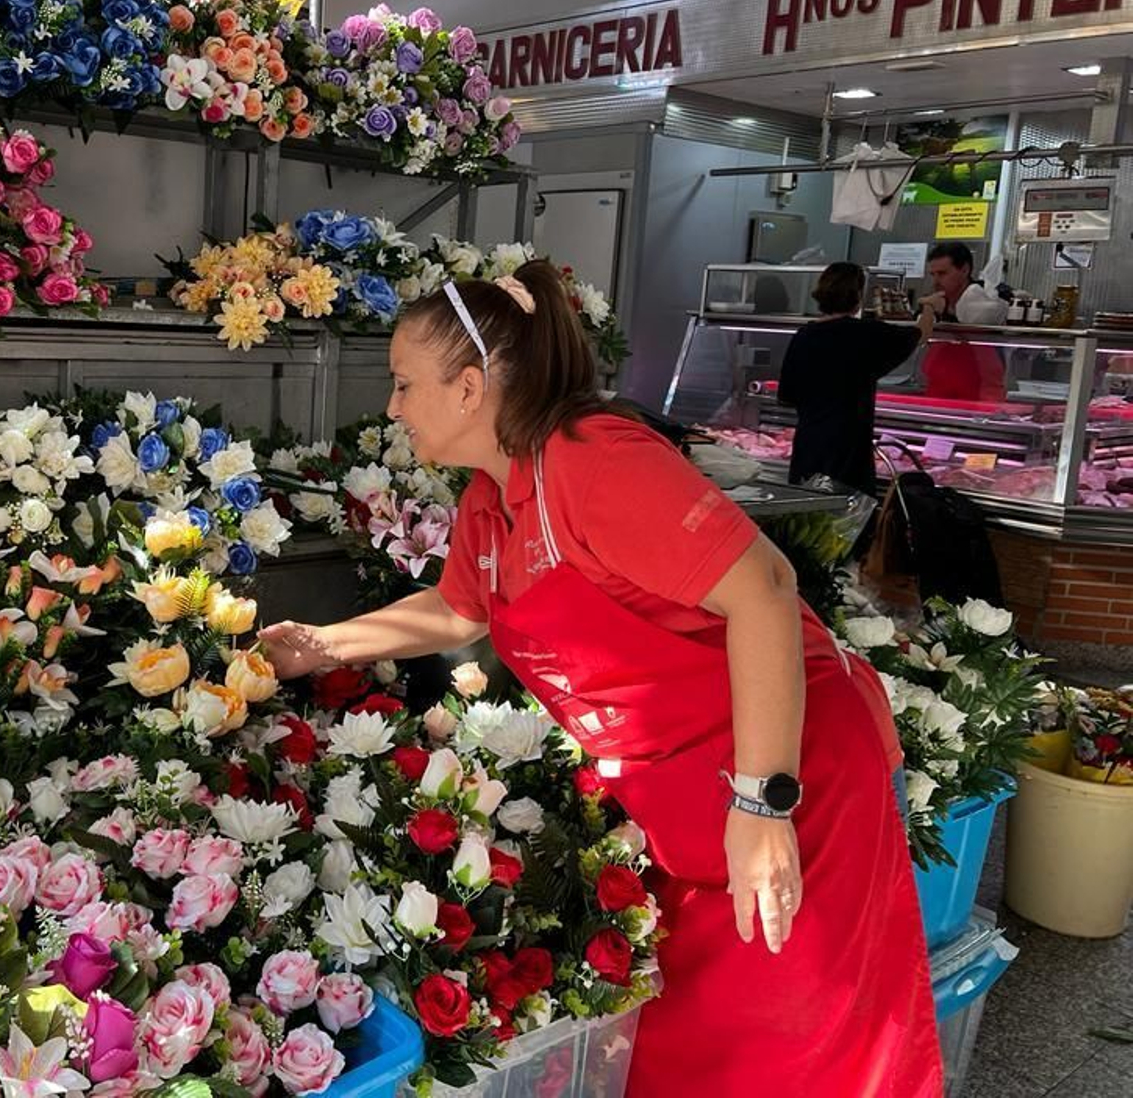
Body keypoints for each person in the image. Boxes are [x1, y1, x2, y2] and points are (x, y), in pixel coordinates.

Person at [259, 261, 941, 1097]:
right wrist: (323, 645)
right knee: (689, 1042)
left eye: (404, 385)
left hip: (794, 778)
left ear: (469, 388)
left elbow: (763, 590)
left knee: (792, 1045)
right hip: (690, 792)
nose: (393, 407)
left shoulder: (595, 460)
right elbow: (458, 610)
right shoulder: (494, 492)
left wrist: (764, 804)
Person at [778, 262, 938, 491]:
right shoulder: (868, 333)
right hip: (847, 453)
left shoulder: (804, 335)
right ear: (857, 296)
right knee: (848, 521)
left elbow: (788, 396)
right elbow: (922, 333)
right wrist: (930, 306)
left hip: (808, 449)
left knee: (809, 518)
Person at [923, 242, 1006, 401]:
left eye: (942, 273)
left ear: (965, 270)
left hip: (977, 398)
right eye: (932, 275)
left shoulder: (983, 306)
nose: (935, 281)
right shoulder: (935, 304)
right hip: (937, 395)